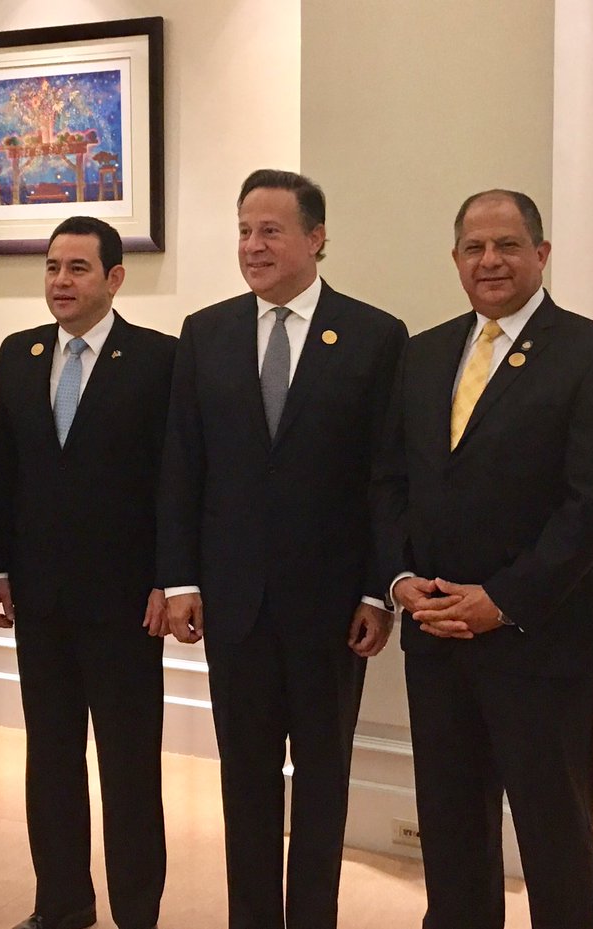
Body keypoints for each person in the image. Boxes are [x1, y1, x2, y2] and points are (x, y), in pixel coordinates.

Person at [374, 189, 593, 929]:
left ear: (541, 254)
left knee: (554, 839)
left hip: (541, 641)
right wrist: (400, 579)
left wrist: (502, 600)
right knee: (452, 833)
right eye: (474, 247)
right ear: (456, 259)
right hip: (437, 638)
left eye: (508, 245)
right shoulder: (424, 353)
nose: (489, 260)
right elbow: (390, 481)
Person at [157, 170, 407, 929]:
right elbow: (183, 465)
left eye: (270, 230)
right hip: (233, 606)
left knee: (324, 782)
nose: (252, 246)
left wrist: (376, 591)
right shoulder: (206, 332)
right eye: (243, 231)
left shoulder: (375, 336)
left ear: (316, 238)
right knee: (245, 783)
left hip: (331, 611)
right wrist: (180, 579)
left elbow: (386, 478)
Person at [0, 215, 175, 929]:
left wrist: (169, 577)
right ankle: (61, 904)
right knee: (51, 762)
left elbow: (174, 480)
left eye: (77, 268)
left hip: (127, 604)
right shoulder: (19, 353)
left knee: (129, 770)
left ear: (114, 278)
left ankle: (137, 913)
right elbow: (4, 471)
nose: (60, 282)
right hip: (40, 600)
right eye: (52, 267)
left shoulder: (158, 358)